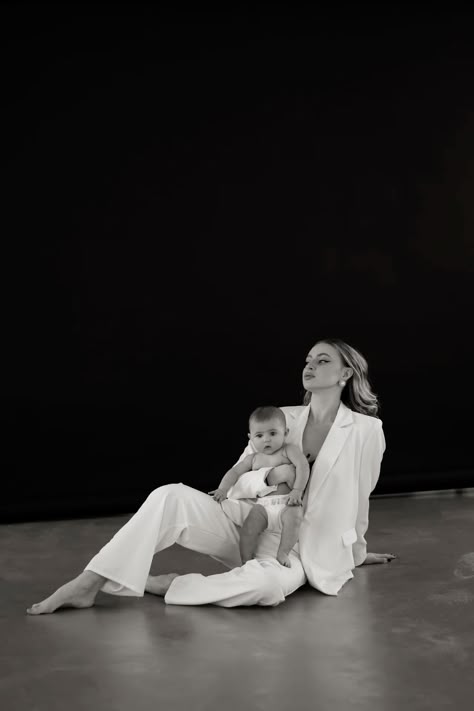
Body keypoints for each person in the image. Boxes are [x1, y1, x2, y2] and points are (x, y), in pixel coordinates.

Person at [27, 338, 397, 615]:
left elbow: (361, 498)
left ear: (345, 373)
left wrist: (356, 553)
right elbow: (238, 484)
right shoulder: (281, 418)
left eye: (322, 360)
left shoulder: (366, 430)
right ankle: (87, 583)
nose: (310, 365)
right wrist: (270, 478)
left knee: (266, 587)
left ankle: (171, 585)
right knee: (169, 495)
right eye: (308, 360)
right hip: (248, 524)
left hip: (298, 550)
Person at [210, 405, 310, 568]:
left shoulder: (288, 451)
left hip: (287, 503)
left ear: (285, 433)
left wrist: (297, 490)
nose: (266, 439)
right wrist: (223, 489)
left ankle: (283, 552)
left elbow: (303, 466)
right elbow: (234, 472)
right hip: (263, 506)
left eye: (273, 433)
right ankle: (246, 560)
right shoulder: (253, 459)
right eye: (259, 435)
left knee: (295, 518)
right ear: (251, 438)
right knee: (248, 528)